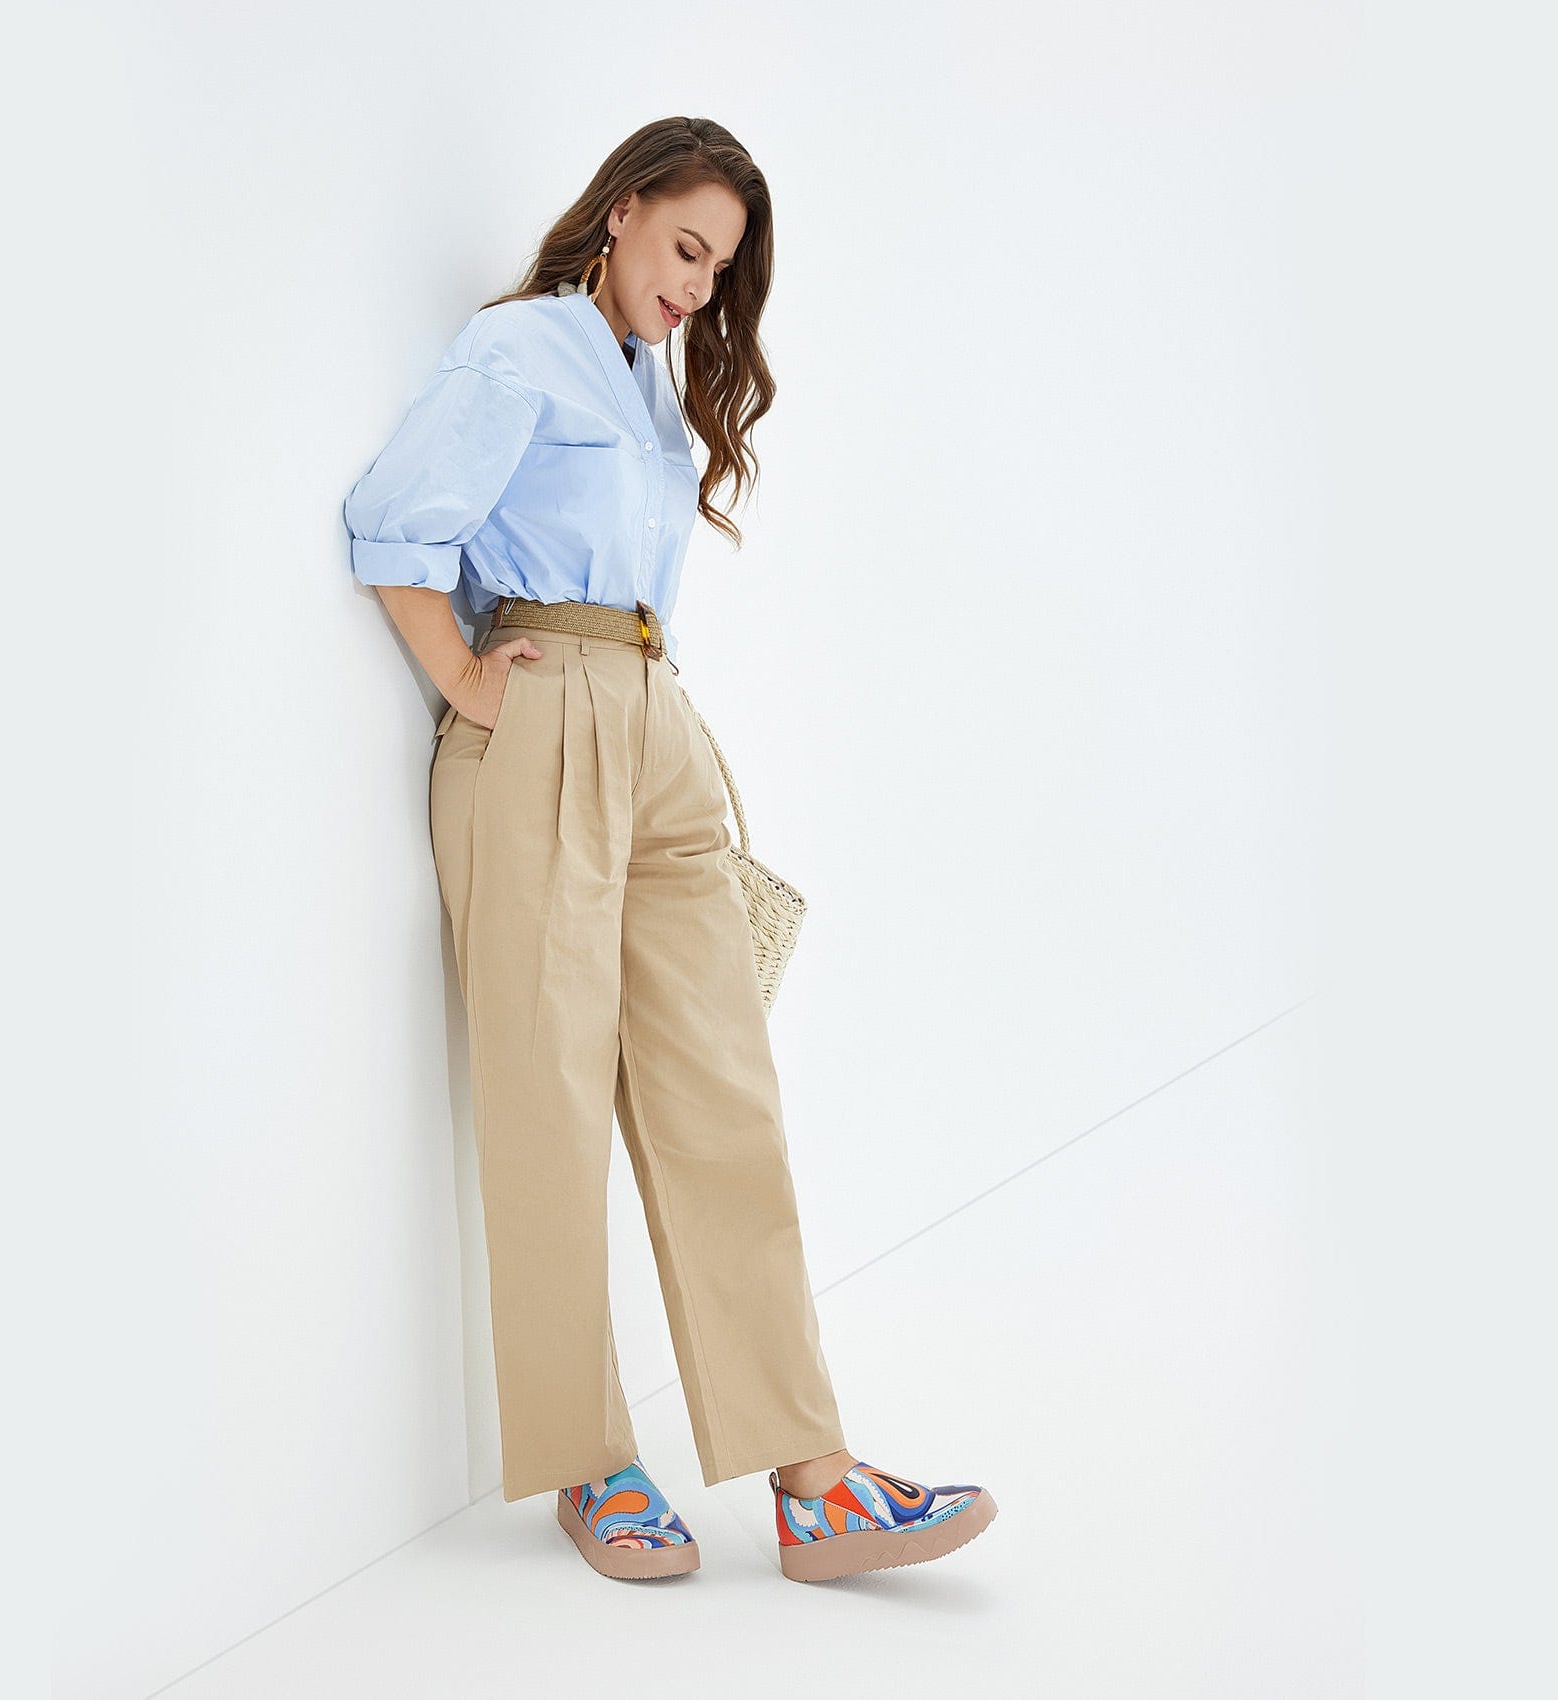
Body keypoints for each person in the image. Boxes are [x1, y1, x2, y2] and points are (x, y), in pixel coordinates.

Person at [343, 115, 995, 1582]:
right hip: (542, 720)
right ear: (623, 212)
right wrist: (466, 681)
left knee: (727, 1096)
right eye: (686, 249)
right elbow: (391, 525)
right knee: (550, 1099)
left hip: (658, 719)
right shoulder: (518, 348)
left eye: (719, 271)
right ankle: (591, 1465)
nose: (697, 289)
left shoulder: (652, 385)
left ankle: (813, 1477)